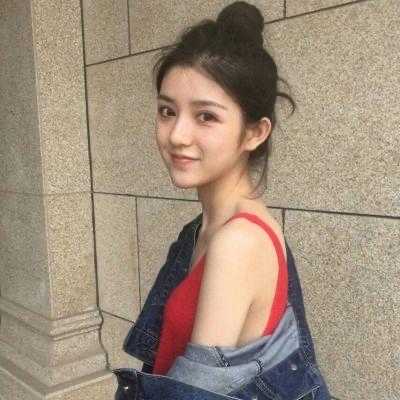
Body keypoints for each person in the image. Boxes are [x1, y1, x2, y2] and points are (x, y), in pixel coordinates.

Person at [114, 2, 331, 399]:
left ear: (255, 133)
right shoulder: (201, 230)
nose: (177, 135)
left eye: (206, 117)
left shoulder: (237, 242)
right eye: (167, 111)